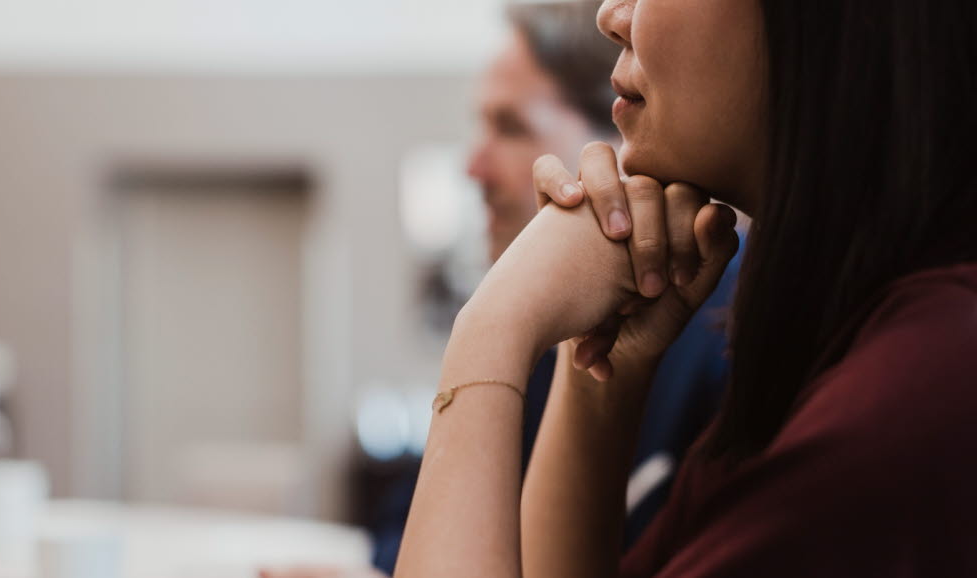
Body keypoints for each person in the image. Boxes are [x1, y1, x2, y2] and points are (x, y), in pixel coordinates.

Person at [394, 0, 977, 576]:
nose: (612, 14)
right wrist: (599, 380)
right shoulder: (939, 327)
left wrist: (491, 330)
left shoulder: (953, 390)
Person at [262, 3, 737, 577]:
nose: (473, 167)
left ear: (619, 134)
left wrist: (491, 325)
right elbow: (406, 525)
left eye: (511, 127)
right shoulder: (568, 335)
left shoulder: (728, 340)